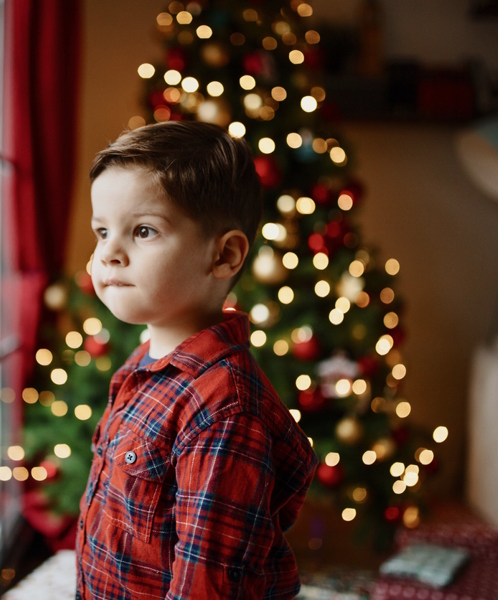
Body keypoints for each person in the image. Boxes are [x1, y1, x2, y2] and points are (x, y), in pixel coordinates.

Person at [75, 121, 318, 599]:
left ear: (224, 256)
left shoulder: (223, 410)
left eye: (143, 231)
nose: (108, 254)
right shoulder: (146, 364)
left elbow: (207, 586)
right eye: (102, 231)